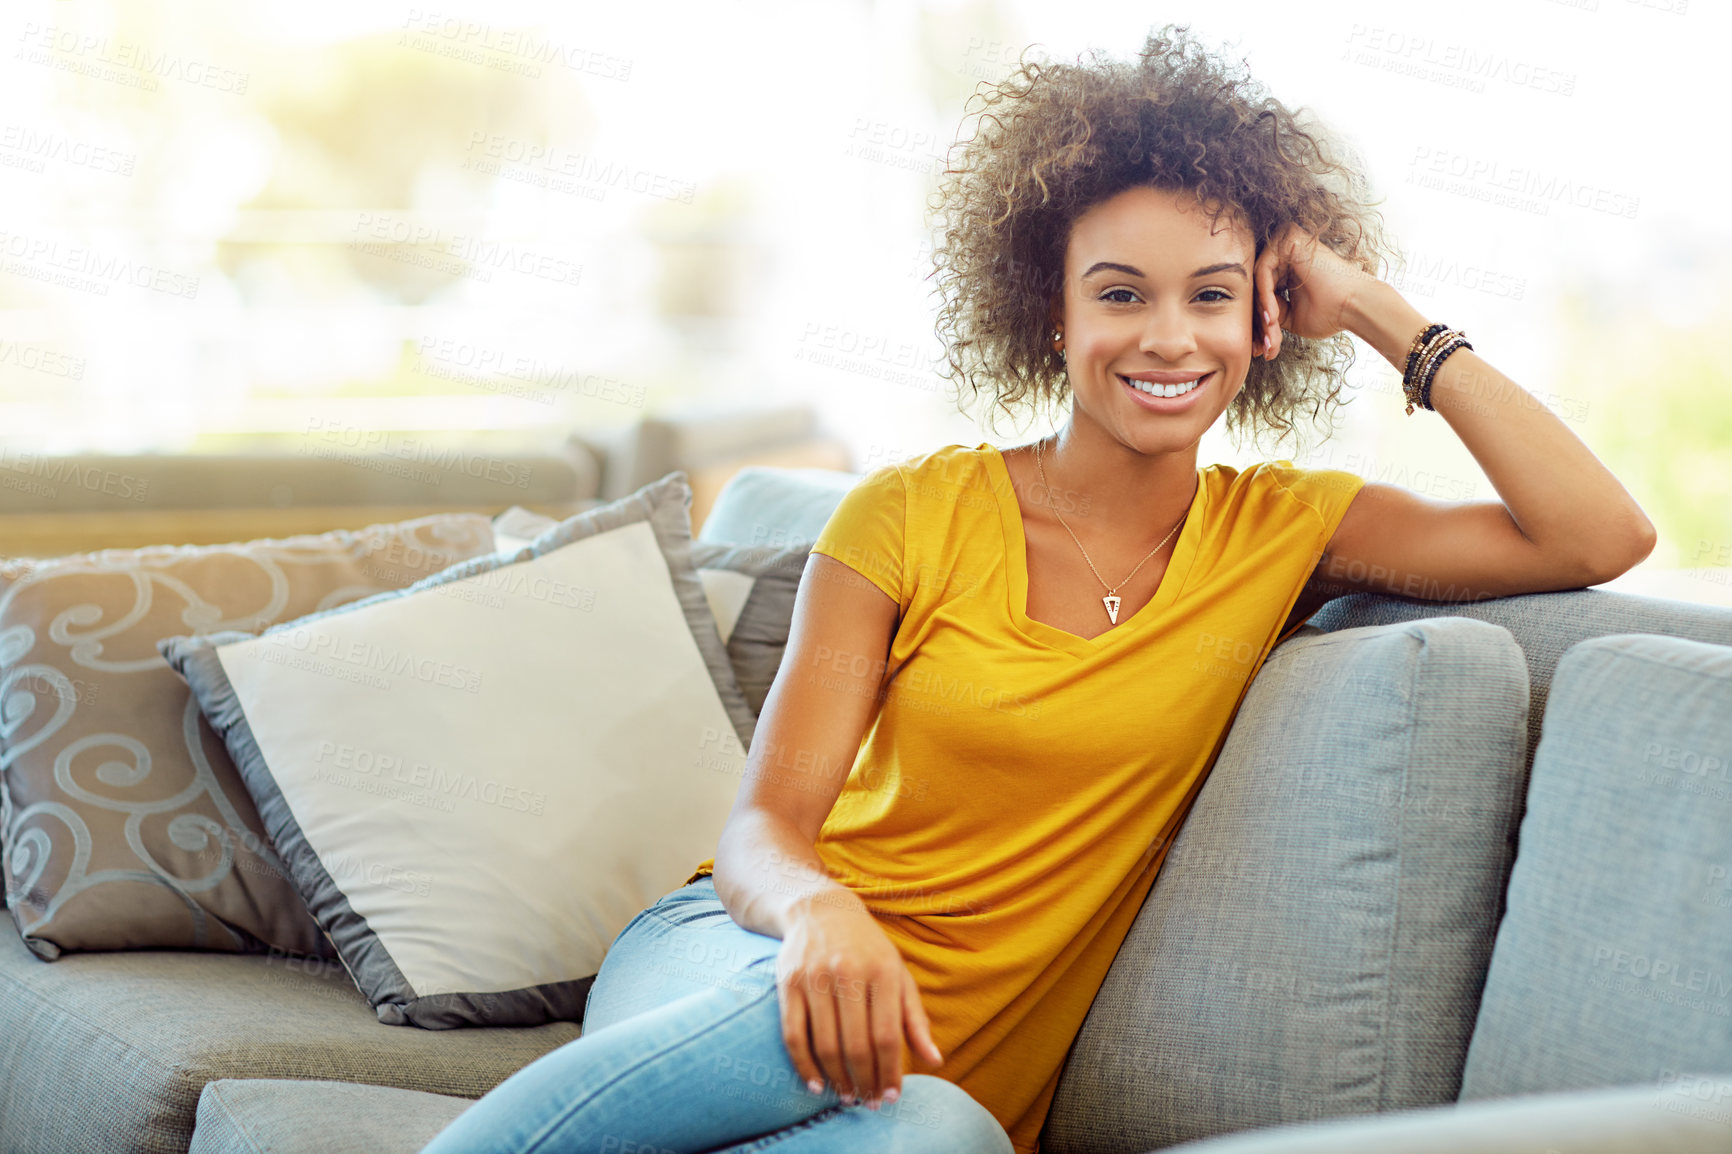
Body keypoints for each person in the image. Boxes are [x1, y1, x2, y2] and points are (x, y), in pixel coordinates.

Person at [419, 21, 1654, 1154]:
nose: (1168, 337)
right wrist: (819, 917)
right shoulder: (904, 512)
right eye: (1120, 292)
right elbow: (764, 829)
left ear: (1265, 322)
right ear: (1049, 312)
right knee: (771, 1037)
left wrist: (1382, 310)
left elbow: (1596, 532)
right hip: (751, 959)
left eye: (1212, 295)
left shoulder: (1286, 528)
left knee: (945, 1141)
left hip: (935, 1085)